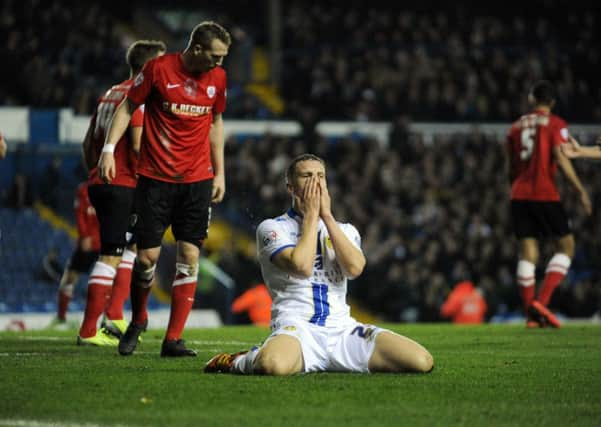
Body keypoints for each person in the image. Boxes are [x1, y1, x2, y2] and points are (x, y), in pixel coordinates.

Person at [205, 154, 434, 375]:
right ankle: (238, 360)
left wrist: (327, 217)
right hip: (297, 329)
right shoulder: (272, 229)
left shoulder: (345, 230)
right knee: (273, 365)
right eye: (307, 176)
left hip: (342, 330)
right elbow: (302, 266)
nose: (315, 182)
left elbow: (355, 269)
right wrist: (312, 216)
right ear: (290, 187)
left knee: (421, 361)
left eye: (320, 176)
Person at [97, 21, 231, 357]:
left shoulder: (218, 79)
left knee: (189, 255)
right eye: (215, 56)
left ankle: (173, 339)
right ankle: (139, 319)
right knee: (146, 259)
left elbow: (215, 123)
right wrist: (109, 149)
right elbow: (128, 106)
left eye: (223, 57)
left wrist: (220, 173)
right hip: (155, 180)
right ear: (196, 48)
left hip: (197, 181)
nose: (220, 63)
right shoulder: (159, 69)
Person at [77, 40, 167, 346]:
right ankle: (89, 330)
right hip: (123, 183)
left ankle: (115, 315)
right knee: (112, 254)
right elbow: (140, 145)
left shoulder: (109, 94)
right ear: (148, 67)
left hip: (104, 181)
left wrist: (97, 171)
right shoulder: (137, 97)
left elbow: (88, 143)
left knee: (131, 248)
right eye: (161, 63)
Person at [506, 80, 592, 329]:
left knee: (528, 254)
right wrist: (580, 190)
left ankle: (530, 316)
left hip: (519, 194)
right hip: (545, 194)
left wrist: (515, 189)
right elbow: (560, 157)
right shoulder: (556, 124)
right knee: (566, 247)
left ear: (532, 100)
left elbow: (511, 167)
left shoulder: (514, 128)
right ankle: (541, 303)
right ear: (552, 103)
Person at [48, 181, 101, 329]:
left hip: (104, 242)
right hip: (90, 242)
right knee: (69, 278)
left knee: (106, 281)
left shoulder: (108, 187)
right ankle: (61, 317)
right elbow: (80, 214)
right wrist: (84, 236)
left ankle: (104, 319)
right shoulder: (84, 189)